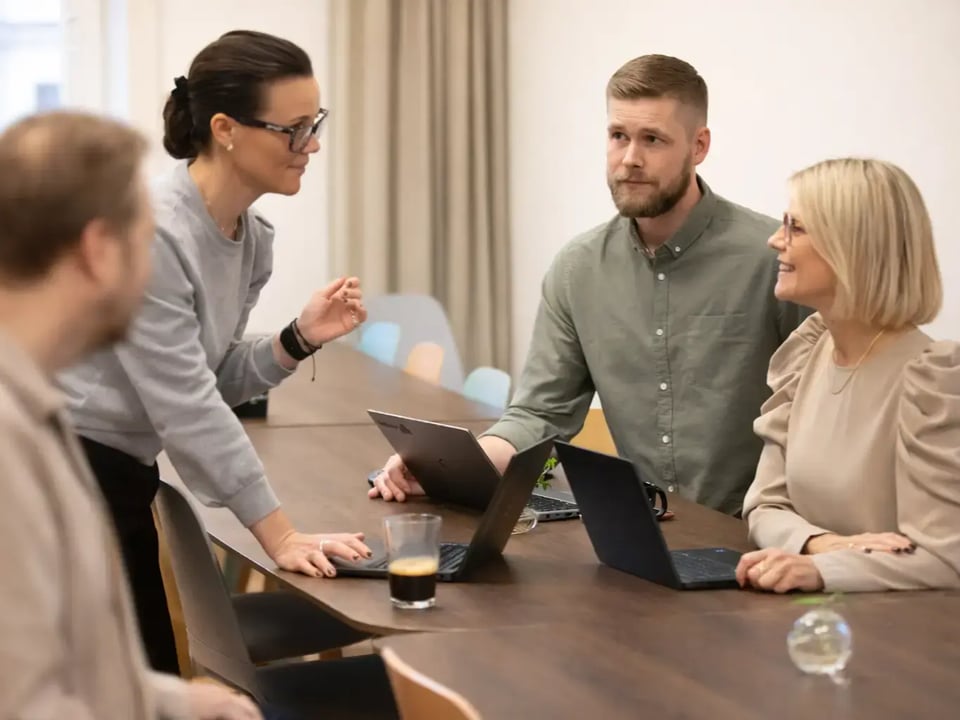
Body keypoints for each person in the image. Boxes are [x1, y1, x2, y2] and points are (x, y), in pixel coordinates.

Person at [58, 30, 371, 674]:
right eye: (294, 130)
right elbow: (188, 407)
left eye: (314, 124)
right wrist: (280, 534)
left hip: (118, 469)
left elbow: (214, 376)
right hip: (64, 472)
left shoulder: (251, 239)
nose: (311, 145)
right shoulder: (150, 233)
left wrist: (297, 339)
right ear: (225, 129)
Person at [370, 54, 805, 514]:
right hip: (647, 525)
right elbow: (540, 413)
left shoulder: (774, 257)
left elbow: (822, 413)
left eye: (652, 139)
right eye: (619, 136)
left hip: (761, 530)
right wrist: (444, 469)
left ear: (699, 146)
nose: (630, 159)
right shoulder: (577, 270)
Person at [0, 111, 262, 719]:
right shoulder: (9, 441)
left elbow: (66, 668)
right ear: (98, 252)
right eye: (145, 245)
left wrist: (177, 700)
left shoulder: (39, 410)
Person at [736, 158, 960, 594]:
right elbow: (764, 506)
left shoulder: (934, 382)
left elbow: (946, 561)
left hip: (903, 630)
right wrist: (822, 545)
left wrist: (823, 570)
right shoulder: (806, 354)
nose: (775, 240)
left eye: (796, 228)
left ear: (852, 248)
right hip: (813, 617)